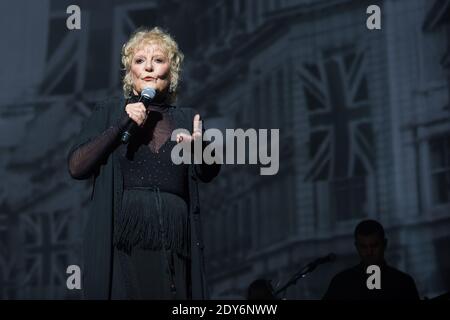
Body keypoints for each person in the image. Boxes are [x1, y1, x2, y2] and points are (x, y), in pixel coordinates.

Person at [67, 27, 220, 299]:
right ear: (130, 74)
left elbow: (208, 173)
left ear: (171, 72)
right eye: (139, 61)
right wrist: (120, 125)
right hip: (126, 243)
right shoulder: (110, 112)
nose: (148, 67)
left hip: (175, 242)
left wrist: (201, 148)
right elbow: (77, 167)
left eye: (158, 60)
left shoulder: (187, 118)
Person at [322, 219, 420, 300]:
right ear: (357, 247)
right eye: (364, 247)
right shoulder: (341, 282)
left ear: (384, 244)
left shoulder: (403, 283)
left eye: (374, 245)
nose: (369, 252)